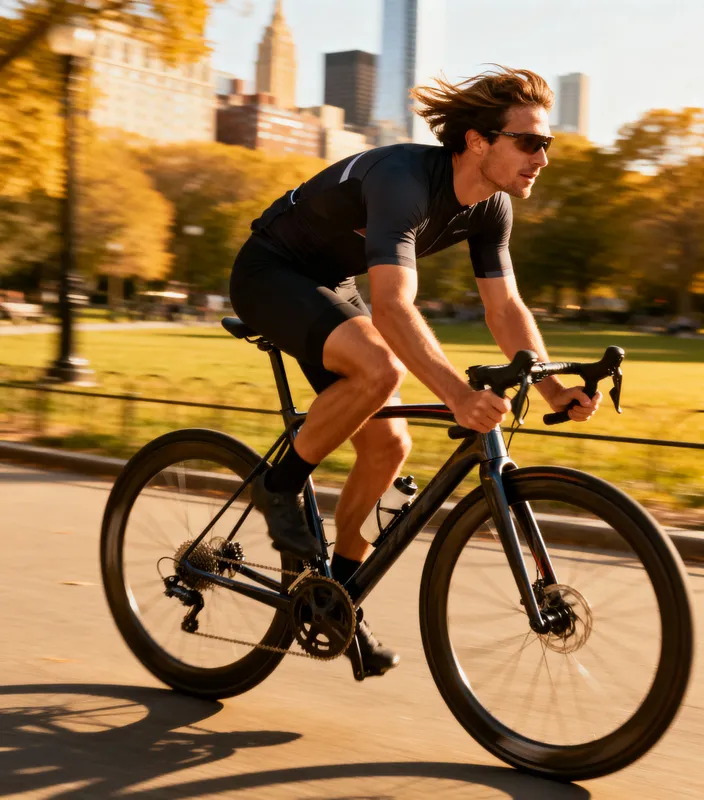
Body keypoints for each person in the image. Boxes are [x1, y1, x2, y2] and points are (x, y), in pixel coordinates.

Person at [228, 66, 602, 677]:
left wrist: (554, 386)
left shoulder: (491, 210)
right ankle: (280, 484)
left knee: (388, 445)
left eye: (547, 144)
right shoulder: (404, 180)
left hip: (329, 285)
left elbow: (504, 308)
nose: (542, 157)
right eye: (530, 142)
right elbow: (394, 308)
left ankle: (334, 600)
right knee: (379, 371)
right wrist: (457, 394)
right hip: (272, 272)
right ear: (478, 141)